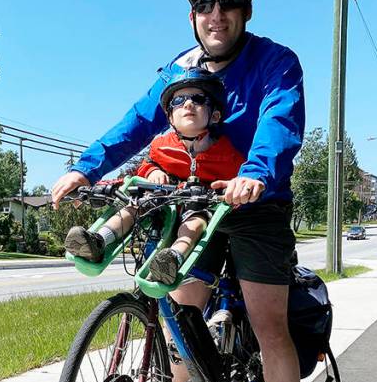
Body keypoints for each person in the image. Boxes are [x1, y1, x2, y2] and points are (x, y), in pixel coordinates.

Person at [50, 0, 307, 382]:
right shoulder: (180, 69)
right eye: (204, 4)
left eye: (226, 2)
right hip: (194, 204)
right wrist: (82, 167)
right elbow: (135, 125)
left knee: (268, 324)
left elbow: (279, 125)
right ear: (193, 14)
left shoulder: (276, 63)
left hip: (254, 205)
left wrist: (255, 175)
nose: (215, 14)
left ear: (245, 8)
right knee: (177, 305)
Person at [63, 68, 244, 285]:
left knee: (195, 222)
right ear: (169, 117)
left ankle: (172, 260)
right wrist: (153, 171)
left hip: (199, 206)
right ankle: (98, 241)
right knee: (133, 207)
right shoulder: (162, 146)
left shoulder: (228, 154)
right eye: (178, 100)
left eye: (198, 99)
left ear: (215, 115)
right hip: (161, 204)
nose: (187, 104)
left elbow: (240, 182)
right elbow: (147, 165)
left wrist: (233, 191)